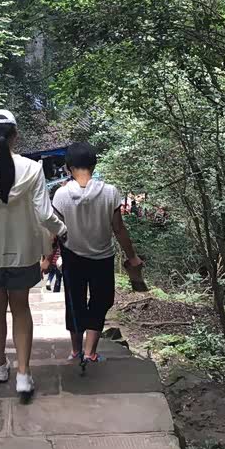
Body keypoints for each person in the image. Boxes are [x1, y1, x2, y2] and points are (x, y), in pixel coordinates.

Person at [0, 109, 66, 401]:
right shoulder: (32, 170)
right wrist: (63, 230)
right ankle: (23, 373)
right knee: (21, 309)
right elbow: (44, 214)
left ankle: (0, 365)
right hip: (23, 253)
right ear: (16, 135)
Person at [52, 142, 143, 363]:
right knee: (100, 301)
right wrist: (132, 257)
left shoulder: (61, 195)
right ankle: (90, 352)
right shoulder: (110, 192)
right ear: (94, 165)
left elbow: (54, 232)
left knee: (74, 302)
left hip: (72, 256)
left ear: (68, 168)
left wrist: (47, 258)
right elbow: (118, 228)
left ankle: (76, 351)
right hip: (102, 257)